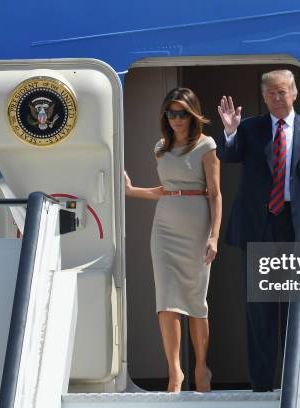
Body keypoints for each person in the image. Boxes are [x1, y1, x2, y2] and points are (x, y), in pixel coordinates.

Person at [216, 69, 300, 391]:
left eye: (282, 92)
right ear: (264, 96)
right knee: (261, 311)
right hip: (260, 227)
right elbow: (228, 156)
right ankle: (262, 386)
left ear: (294, 93)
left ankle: (297, 384)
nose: (277, 98)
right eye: (270, 94)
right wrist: (229, 131)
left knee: (299, 308)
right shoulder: (251, 129)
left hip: (299, 228)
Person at [124, 87, 222, 393]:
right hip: (164, 227)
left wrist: (215, 236)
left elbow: (216, 194)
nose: (176, 119)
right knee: (166, 301)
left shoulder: (206, 145)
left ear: (192, 114)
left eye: (181, 113)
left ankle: (201, 367)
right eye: (171, 113)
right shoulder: (160, 147)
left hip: (196, 226)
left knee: (195, 301)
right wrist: (131, 191)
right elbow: (162, 190)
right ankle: (175, 372)